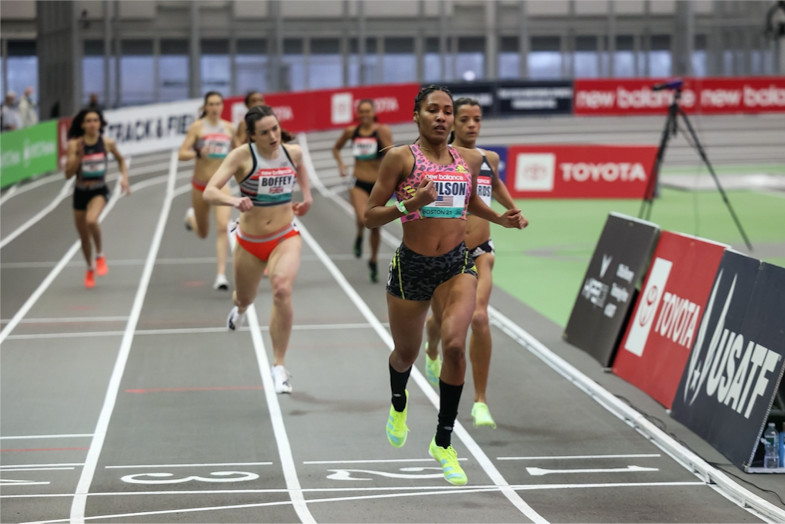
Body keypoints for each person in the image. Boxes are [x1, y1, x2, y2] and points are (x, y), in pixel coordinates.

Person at [364, 85, 528, 486]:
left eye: (447, 111)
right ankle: (398, 403)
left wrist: (500, 218)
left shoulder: (468, 160)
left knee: (455, 346)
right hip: (412, 267)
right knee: (406, 354)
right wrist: (410, 205)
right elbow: (370, 215)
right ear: (416, 115)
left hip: (456, 265)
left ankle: (443, 441)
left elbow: (468, 201)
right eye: (432, 110)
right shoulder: (400, 158)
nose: (441, 117)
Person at [423, 98, 522, 430]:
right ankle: (431, 349)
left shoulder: (488, 159)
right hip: (445, 253)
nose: (471, 125)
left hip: (480, 250)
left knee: (479, 317)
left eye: (476, 119)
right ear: (453, 122)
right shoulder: (439, 159)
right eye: (464, 119)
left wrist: (513, 210)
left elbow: (496, 185)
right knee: (442, 321)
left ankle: (480, 401)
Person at [203, 105, 312, 394]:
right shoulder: (241, 157)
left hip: (285, 236)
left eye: (275, 129)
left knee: (281, 289)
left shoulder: (293, 152)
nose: (273, 136)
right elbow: (210, 191)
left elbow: (301, 167)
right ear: (252, 136)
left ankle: (279, 367)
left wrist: (307, 197)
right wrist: (234, 202)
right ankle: (239, 308)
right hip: (250, 242)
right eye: (264, 133)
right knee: (245, 297)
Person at [64, 108, 130, 288]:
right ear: (83, 125)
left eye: (95, 120)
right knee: (84, 237)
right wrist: (78, 156)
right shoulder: (75, 145)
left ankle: (100, 255)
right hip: (80, 192)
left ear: (100, 123)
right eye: (89, 121)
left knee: (91, 221)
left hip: (99, 190)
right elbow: (68, 174)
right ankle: (89, 267)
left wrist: (124, 178)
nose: (92, 124)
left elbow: (121, 160)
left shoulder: (107, 143)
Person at [178, 91, 235, 291]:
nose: (214, 107)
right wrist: (196, 152)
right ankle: (191, 218)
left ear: (222, 106)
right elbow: (181, 154)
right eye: (211, 104)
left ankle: (220, 276)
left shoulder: (229, 128)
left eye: (218, 103)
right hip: (200, 186)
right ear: (205, 107)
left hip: (221, 186)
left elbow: (239, 153)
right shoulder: (197, 128)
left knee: (223, 228)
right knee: (203, 233)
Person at [332, 99, 393, 283]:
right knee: (362, 219)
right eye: (362, 111)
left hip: (377, 184)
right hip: (358, 181)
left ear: (374, 112)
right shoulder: (351, 131)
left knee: (375, 225)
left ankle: (373, 261)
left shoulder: (382, 130)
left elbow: (392, 154)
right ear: (358, 114)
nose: (365, 115)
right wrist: (341, 164)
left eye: (368, 111)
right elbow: (336, 148)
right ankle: (359, 235)